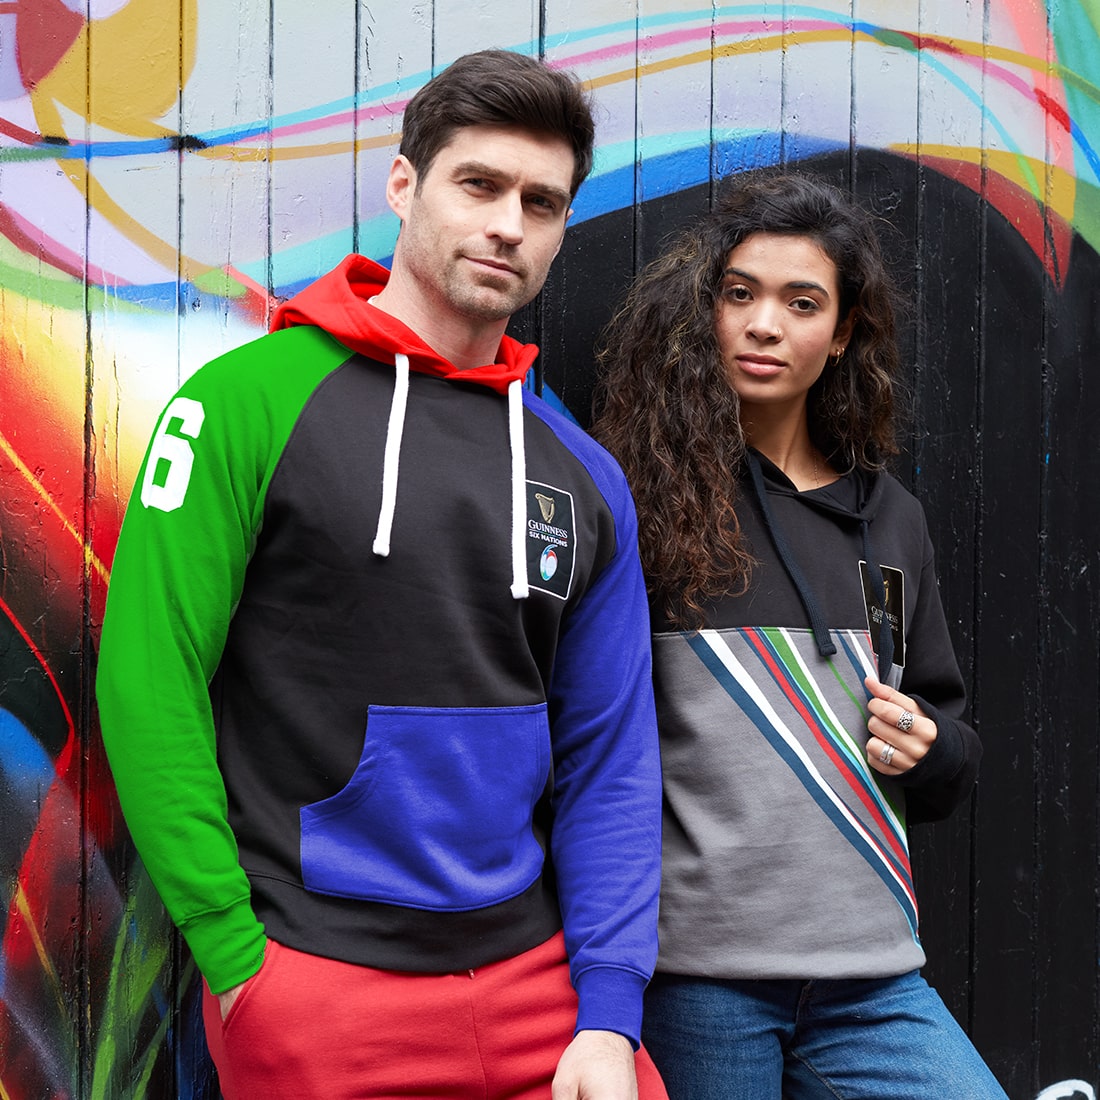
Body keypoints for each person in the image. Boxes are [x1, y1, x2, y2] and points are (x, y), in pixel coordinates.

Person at [96, 49, 667, 1100]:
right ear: (403, 187)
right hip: (314, 984)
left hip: (542, 994)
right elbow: (148, 678)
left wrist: (608, 1013)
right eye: (478, 184)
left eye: (540, 203)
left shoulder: (582, 473)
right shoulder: (245, 401)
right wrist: (238, 961)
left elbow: (610, 755)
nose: (508, 223)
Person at [591, 170, 1008, 1099]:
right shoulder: (638, 503)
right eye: (738, 294)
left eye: (801, 301)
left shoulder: (888, 519)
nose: (764, 324)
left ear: (845, 331)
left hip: (874, 977)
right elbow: (586, 747)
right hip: (701, 979)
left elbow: (946, 741)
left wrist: (930, 748)